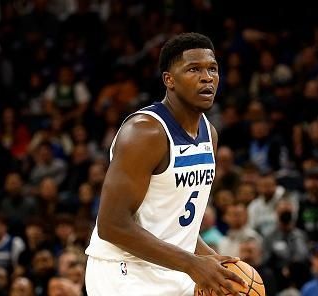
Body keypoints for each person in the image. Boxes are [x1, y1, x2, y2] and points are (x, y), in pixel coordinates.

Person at [85, 32, 245, 296]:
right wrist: (192, 264)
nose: (207, 77)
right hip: (124, 273)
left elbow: (176, 223)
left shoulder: (209, 133)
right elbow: (111, 225)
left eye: (213, 69)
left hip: (174, 268)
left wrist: (212, 260)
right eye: (194, 69)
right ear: (169, 80)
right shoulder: (145, 132)